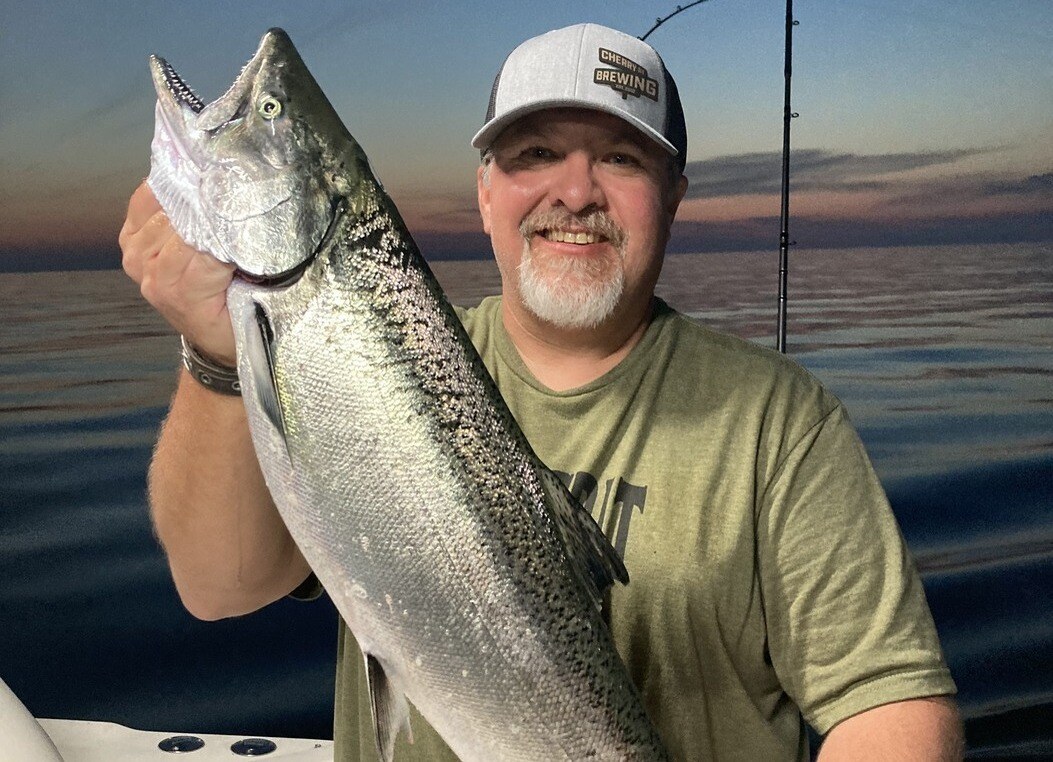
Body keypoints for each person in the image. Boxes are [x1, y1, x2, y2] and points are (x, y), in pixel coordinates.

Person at [120, 22, 962, 761]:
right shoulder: (347, 356)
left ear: (670, 199)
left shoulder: (780, 422)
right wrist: (213, 350)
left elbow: (893, 705)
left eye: (621, 158)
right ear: (485, 190)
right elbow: (219, 589)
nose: (574, 191)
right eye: (534, 155)